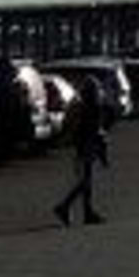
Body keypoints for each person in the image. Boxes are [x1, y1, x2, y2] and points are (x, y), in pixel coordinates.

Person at [50, 73, 113, 225]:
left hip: (82, 147)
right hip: (88, 147)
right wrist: (103, 153)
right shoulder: (93, 108)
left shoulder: (82, 106)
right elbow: (97, 132)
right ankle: (65, 206)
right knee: (84, 182)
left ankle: (87, 212)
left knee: (86, 182)